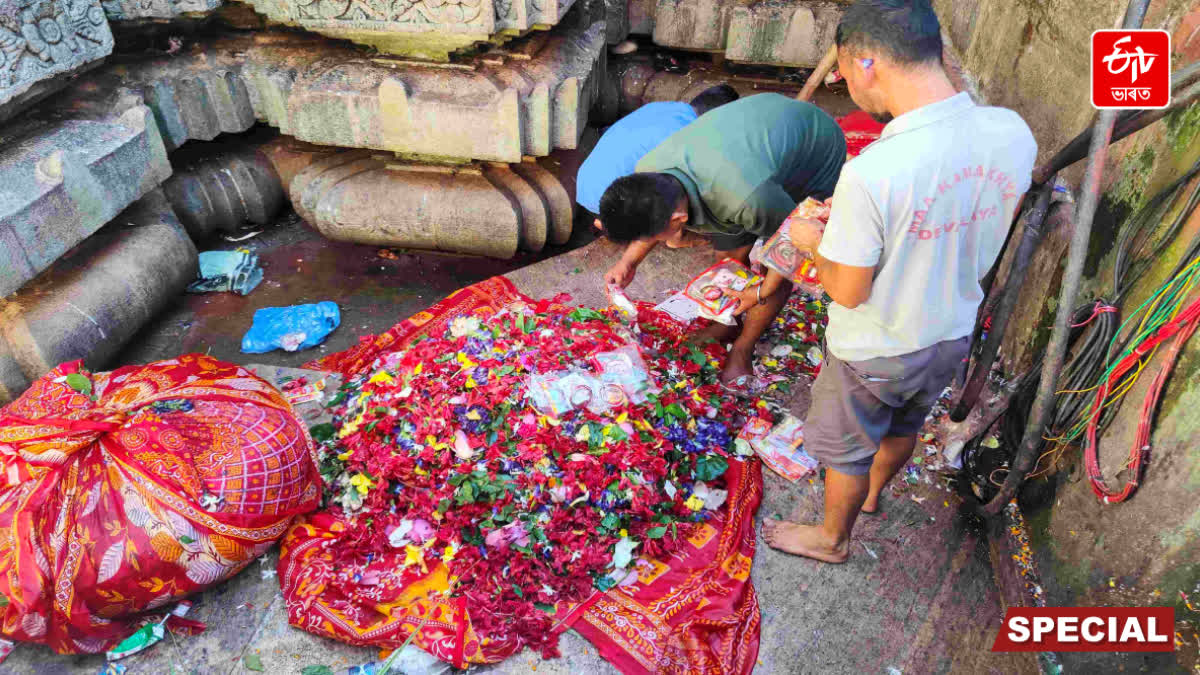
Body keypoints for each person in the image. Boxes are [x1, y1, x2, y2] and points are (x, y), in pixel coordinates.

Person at [761, 0, 1037, 563]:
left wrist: (816, 244)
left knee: (848, 448)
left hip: (876, 347)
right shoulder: (1011, 132)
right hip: (949, 334)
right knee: (903, 423)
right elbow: (963, 212)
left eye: (842, 70)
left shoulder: (873, 171)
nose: (842, 82)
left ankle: (832, 538)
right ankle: (871, 497)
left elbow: (848, 290)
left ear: (867, 63)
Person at [599, 92, 846, 384]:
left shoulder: (748, 198)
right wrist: (628, 262)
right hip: (753, 143)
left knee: (772, 268)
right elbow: (653, 221)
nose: (651, 242)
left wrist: (760, 292)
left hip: (816, 152)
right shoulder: (648, 171)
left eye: (652, 236)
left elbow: (788, 248)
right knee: (729, 261)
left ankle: (743, 348)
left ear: (678, 219)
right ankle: (729, 323)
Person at [575, 84, 741, 224]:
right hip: (609, 204)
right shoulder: (688, 136)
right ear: (716, 118)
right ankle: (671, 238)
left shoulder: (661, 107)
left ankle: (603, 223)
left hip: (583, 187)